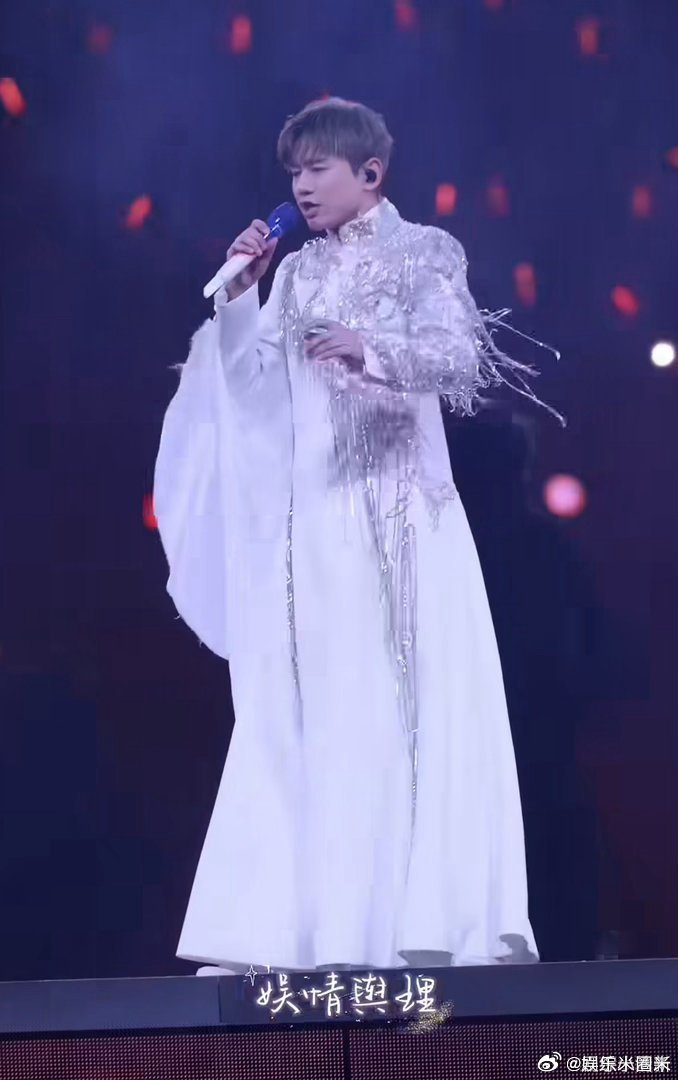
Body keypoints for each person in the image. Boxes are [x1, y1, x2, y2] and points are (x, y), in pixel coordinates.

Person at [154, 97, 553, 975]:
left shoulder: (426, 253)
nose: (302, 185)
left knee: (407, 708)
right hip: (317, 531)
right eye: (294, 171)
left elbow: (460, 361)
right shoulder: (294, 273)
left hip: (405, 521)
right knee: (318, 715)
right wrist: (241, 299)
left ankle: (417, 927)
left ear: (370, 173)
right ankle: (311, 933)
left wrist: (367, 346)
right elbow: (255, 392)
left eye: (319, 168)